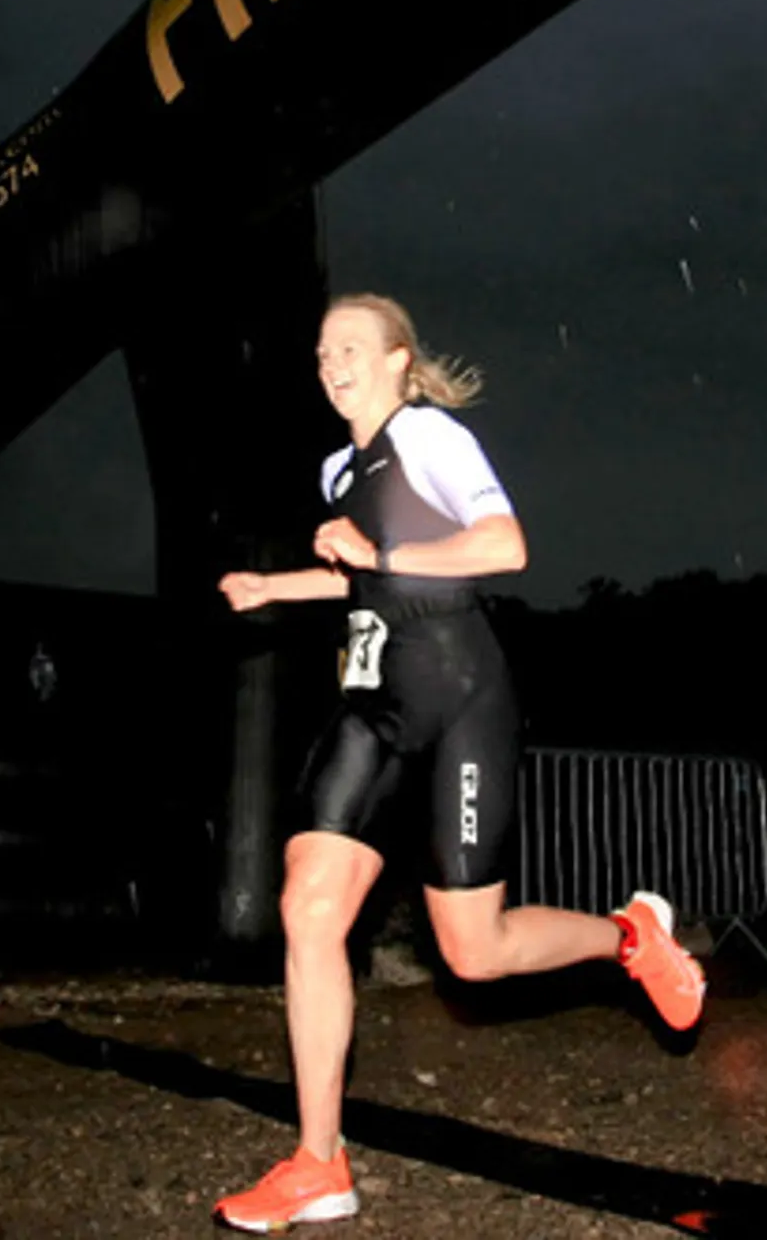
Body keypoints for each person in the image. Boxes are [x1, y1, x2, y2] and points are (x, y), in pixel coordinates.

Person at [211, 293, 706, 1234]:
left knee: (474, 955)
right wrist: (277, 585)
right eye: (321, 351)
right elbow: (368, 572)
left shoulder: (429, 438)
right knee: (309, 903)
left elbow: (501, 546)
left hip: (460, 699)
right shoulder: (334, 467)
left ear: (399, 359)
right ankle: (320, 1163)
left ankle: (631, 934)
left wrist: (382, 546)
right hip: (373, 706)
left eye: (350, 346)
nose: (331, 362)